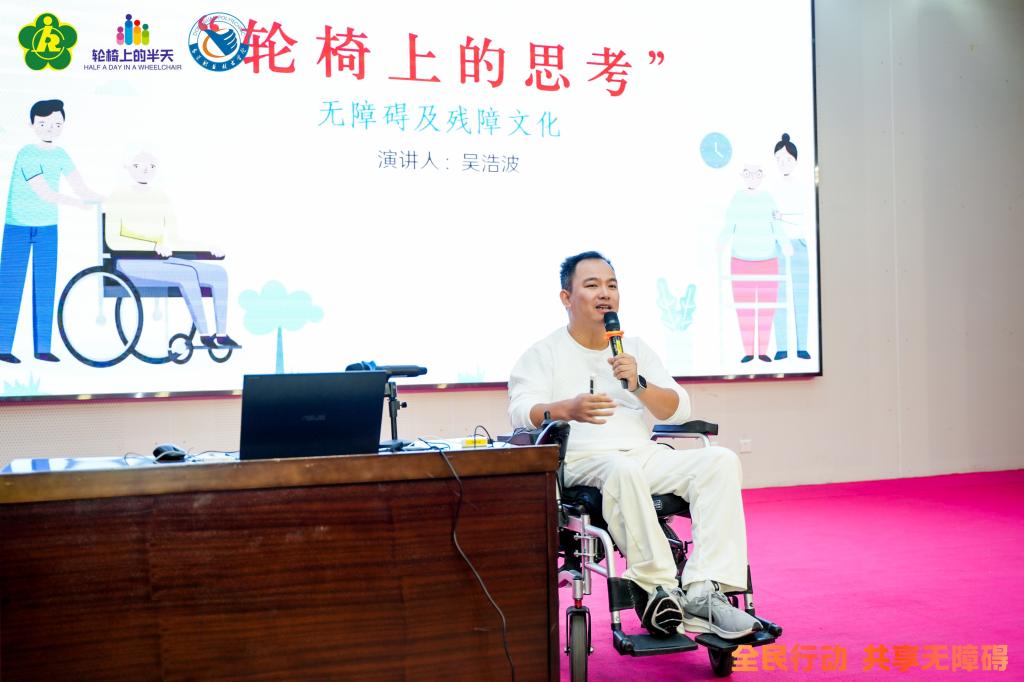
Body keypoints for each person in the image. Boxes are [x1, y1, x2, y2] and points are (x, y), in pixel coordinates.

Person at [508, 251, 762, 640]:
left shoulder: (634, 349)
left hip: (642, 455)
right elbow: (520, 412)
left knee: (720, 461)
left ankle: (705, 592)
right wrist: (567, 409)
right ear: (566, 298)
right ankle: (659, 588)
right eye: (592, 285)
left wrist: (639, 384)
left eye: (611, 285)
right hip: (583, 460)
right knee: (623, 471)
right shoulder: (544, 353)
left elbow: (678, 408)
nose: (605, 293)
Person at [103, 151, 240, 350]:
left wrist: (207, 248)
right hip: (129, 262)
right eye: (139, 166)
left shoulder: (161, 198)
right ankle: (204, 335)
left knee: (219, 273)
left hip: (159, 260)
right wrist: (152, 247)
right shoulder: (118, 197)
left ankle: (221, 335)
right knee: (186, 274)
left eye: (151, 166)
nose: (145, 170)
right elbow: (114, 241)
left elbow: (174, 240)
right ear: (129, 168)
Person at [1, 99, 102, 364]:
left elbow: (79, 186)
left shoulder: (60, 154)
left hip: (47, 227)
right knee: (11, 286)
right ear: (32, 124)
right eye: (44, 123)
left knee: (45, 286)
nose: (50, 128)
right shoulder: (26, 153)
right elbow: (44, 192)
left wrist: (99, 198)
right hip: (18, 226)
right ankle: (2, 346)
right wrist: (76, 203)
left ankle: (42, 348)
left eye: (57, 124)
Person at [722, 164, 791, 363]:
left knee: (766, 309)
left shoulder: (768, 199)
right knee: (744, 309)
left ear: (762, 176)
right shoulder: (737, 199)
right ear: (742, 175)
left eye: (757, 173)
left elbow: (777, 226)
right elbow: (728, 226)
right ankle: (748, 351)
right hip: (740, 261)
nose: (752, 177)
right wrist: (718, 245)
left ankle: (762, 351)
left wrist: (785, 244)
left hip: (768, 261)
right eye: (748, 173)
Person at [770, 133, 812, 360]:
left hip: (798, 242)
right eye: (779, 159)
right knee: (779, 296)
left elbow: (802, 218)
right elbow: (771, 219)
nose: (783, 163)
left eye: (787, 159)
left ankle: (802, 346)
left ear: (795, 160)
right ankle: (782, 348)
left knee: (801, 296)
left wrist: (783, 216)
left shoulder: (802, 187)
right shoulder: (772, 188)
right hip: (778, 243)